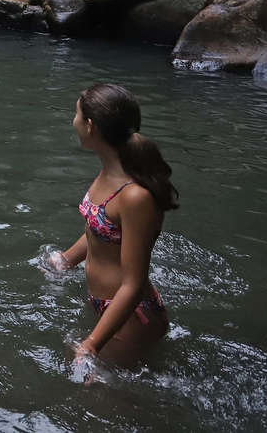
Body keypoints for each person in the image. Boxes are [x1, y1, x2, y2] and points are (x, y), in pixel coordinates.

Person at [44, 84, 178, 369]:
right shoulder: (107, 172)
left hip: (131, 315)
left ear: (90, 126)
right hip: (106, 306)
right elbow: (98, 232)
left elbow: (133, 283)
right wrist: (66, 260)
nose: (73, 121)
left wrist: (91, 345)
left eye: (76, 114)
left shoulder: (134, 197)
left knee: (110, 406)